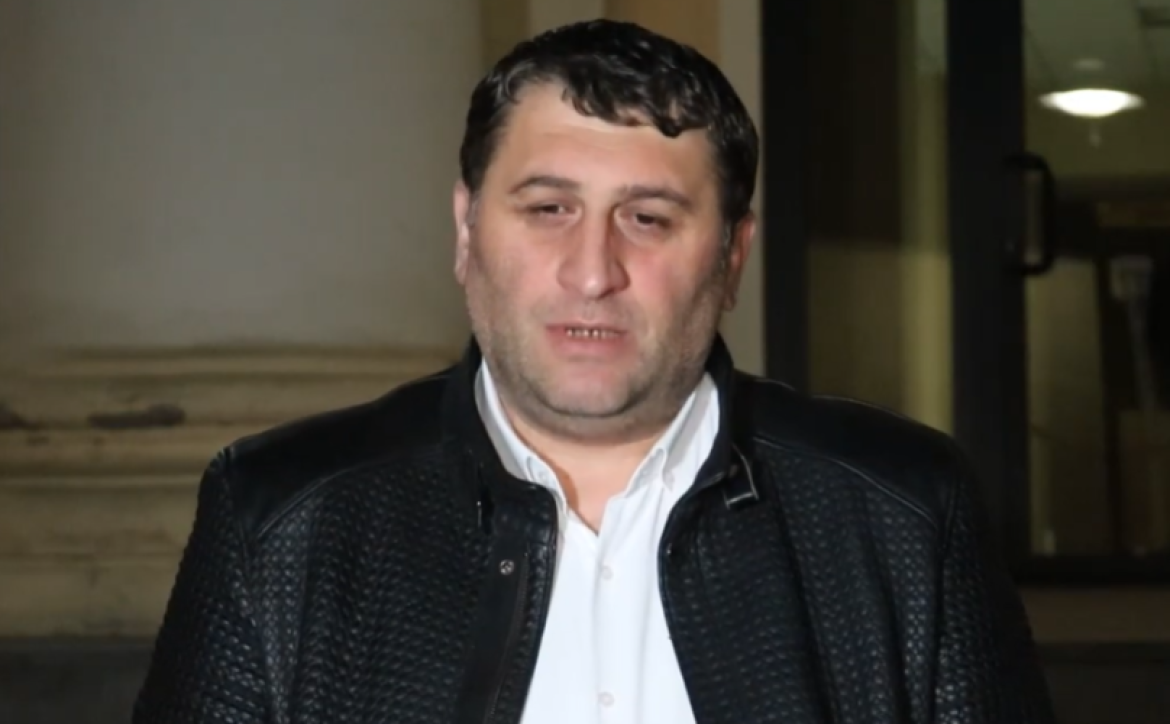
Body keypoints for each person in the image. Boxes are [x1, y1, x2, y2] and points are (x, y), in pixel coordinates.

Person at [133, 19, 1056, 724]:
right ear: (466, 231)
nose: (591, 271)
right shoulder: (277, 516)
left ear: (732, 256)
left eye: (647, 219)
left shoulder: (904, 513)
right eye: (548, 209)